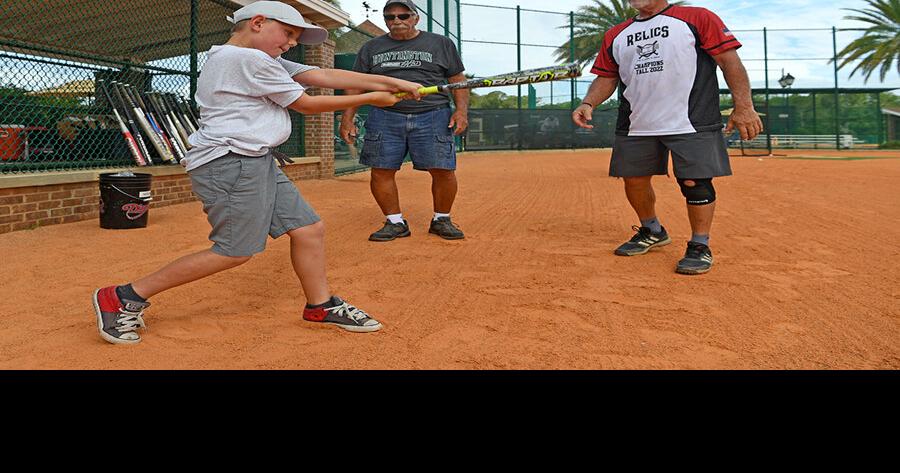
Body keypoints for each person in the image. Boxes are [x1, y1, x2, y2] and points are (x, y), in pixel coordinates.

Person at [92, 1, 424, 344]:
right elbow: (306, 104)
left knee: (307, 229)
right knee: (233, 250)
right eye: (288, 33)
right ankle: (123, 296)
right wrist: (371, 98)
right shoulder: (246, 59)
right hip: (231, 163)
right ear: (259, 22)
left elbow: (321, 75)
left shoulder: (250, 57)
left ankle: (320, 305)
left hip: (254, 159)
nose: (292, 43)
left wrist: (389, 81)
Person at [572, 0, 762, 275]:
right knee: (634, 180)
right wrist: (588, 102)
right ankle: (652, 229)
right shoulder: (615, 35)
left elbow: (729, 61)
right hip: (636, 122)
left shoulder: (697, 17)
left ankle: (699, 245)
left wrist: (744, 106)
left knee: (695, 183)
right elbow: (607, 77)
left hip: (691, 119)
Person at [339, 0, 469, 242]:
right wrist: (348, 118)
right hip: (384, 116)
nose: (396, 21)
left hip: (433, 114)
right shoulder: (371, 48)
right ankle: (395, 222)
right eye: (390, 17)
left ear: (415, 18)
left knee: (443, 169)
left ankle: (442, 219)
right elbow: (356, 85)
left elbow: (457, 80)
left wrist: (461, 112)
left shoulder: (440, 43)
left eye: (403, 16)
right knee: (381, 170)